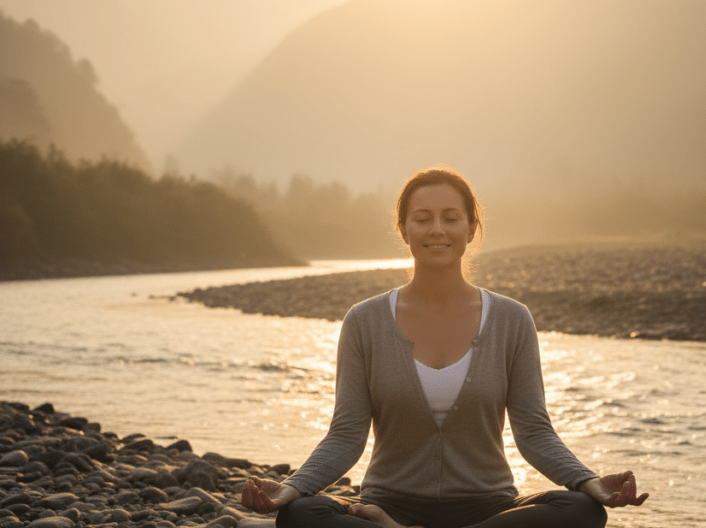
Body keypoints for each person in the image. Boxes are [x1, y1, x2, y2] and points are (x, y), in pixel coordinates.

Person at [242, 166, 648, 528]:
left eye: (451, 218)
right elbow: (347, 434)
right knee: (300, 516)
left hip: (489, 508)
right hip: (388, 502)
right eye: (423, 219)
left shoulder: (512, 320)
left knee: (583, 510)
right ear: (404, 229)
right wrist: (291, 489)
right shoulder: (364, 322)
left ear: (471, 228)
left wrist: (590, 481)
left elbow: (534, 431)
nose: (437, 229)